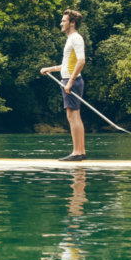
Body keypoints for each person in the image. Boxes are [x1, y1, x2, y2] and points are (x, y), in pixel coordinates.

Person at [39, 9, 87, 161]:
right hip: (68, 80)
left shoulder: (76, 38)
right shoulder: (70, 39)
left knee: (73, 116)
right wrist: (50, 69)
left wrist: (71, 82)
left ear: (72, 23)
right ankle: (80, 151)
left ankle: (78, 152)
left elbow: (81, 61)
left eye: (64, 21)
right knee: (74, 115)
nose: (61, 23)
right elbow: (67, 65)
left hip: (71, 82)